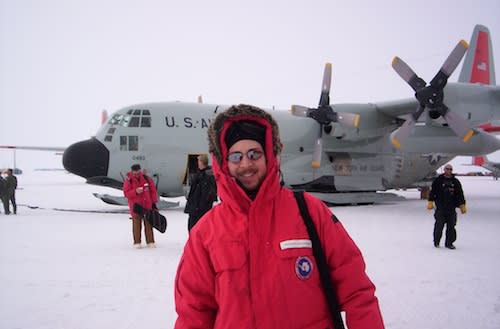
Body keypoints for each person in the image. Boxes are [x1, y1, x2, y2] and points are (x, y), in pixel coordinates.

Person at [174, 104, 385, 329]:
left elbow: (357, 293)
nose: (246, 164)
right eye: (236, 156)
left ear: (269, 156)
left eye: (254, 154)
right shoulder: (205, 232)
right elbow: (193, 312)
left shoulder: (311, 213)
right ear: (224, 162)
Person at [427, 164, 466, 249]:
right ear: (444, 170)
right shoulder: (438, 180)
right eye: (447, 169)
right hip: (440, 207)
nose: (448, 171)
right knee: (439, 225)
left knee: (451, 226)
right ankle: (436, 242)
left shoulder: (455, 182)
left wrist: (462, 204)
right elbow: (433, 192)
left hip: (451, 208)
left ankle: (449, 243)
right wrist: (430, 201)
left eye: (450, 169)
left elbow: (460, 194)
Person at [123, 164, 159, 248]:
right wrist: (135, 191)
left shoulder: (147, 179)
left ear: (140, 171)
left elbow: (153, 192)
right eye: (135, 173)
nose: (137, 175)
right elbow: (126, 193)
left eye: (138, 173)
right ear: (132, 172)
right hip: (135, 207)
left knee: (149, 224)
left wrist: (154, 203)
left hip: (147, 206)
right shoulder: (128, 181)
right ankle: (137, 242)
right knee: (136, 225)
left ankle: (150, 242)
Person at [184, 154, 217, 231]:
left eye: (199, 161)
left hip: (200, 210)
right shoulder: (199, 175)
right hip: (195, 208)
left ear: (202, 162)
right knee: (192, 228)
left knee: (199, 229)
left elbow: (207, 194)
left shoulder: (207, 176)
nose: (198, 163)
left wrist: (200, 207)